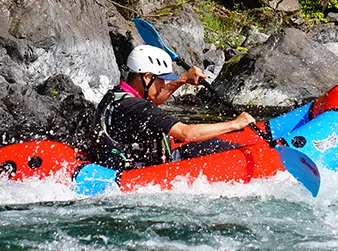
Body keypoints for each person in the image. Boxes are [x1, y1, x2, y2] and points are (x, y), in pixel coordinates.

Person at [92, 45, 255, 170]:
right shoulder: (138, 107)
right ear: (147, 77)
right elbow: (186, 133)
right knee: (209, 145)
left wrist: (183, 79)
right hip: (141, 170)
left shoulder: (116, 95)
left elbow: (155, 98)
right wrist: (234, 124)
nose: (163, 84)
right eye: (161, 80)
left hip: (119, 160)